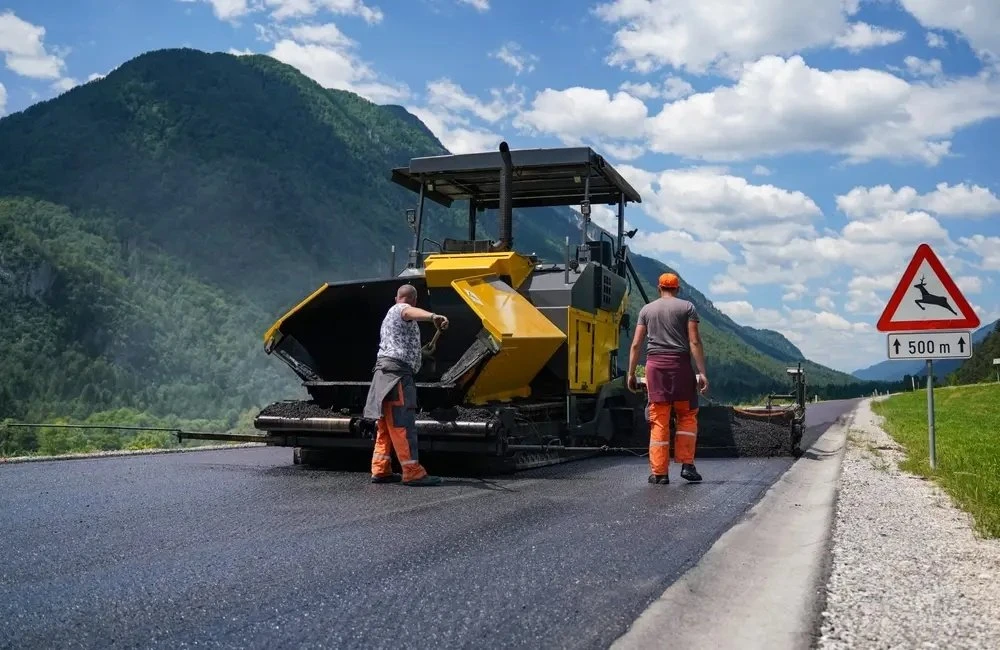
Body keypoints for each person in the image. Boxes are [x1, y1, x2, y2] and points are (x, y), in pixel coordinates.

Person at [363, 284, 449, 486]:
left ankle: (380, 469)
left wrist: (420, 353)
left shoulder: (396, 318)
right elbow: (407, 310)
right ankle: (412, 472)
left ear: (396, 297)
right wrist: (432, 317)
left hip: (385, 376)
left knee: (386, 425)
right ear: (413, 300)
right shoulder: (399, 310)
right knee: (403, 424)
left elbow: (401, 344)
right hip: (397, 377)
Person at [627, 272, 708, 485]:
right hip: (680, 367)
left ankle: (660, 473)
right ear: (678, 289)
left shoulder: (646, 310)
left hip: (655, 369)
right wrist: (702, 372)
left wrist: (631, 373)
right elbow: (694, 342)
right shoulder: (687, 308)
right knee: (687, 414)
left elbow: (636, 344)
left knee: (659, 418)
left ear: (658, 287)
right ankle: (687, 465)